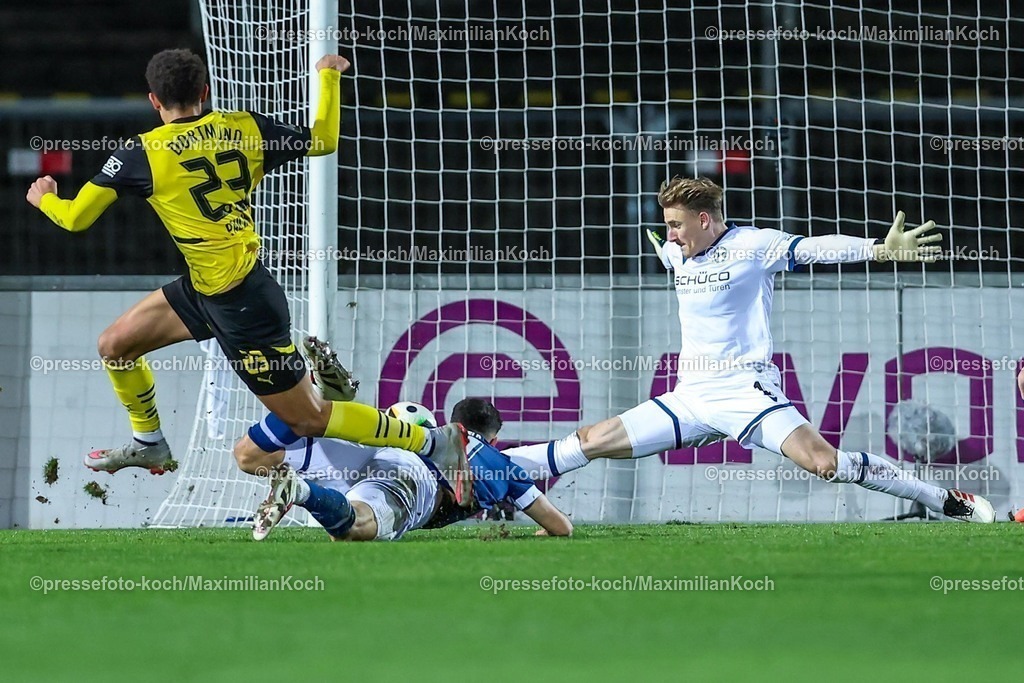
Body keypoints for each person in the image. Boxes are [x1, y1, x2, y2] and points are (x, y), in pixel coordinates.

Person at [25, 49, 465, 483]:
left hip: (242, 304)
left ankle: (431, 442)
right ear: (205, 92)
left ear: (153, 100)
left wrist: (45, 198)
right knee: (115, 346)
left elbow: (75, 218)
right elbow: (324, 140)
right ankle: (149, 442)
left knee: (309, 417)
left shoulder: (140, 153)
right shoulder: (245, 127)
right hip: (206, 288)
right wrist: (329, 77)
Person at [505, 176, 995, 523]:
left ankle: (941, 500)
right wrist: (669, 244)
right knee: (591, 440)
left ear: (703, 219)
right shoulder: (678, 252)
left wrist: (879, 249)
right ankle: (489, 466)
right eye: (667, 226)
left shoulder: (755, 246)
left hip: (746, 392)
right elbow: (668, 251)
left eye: (677, 224)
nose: (670, 235)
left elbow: (814, 248)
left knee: (825, 464)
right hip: (691, 397)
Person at [241, 397, 573, 541]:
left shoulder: (430, 432)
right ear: (494, 439)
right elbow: (561, 527)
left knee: (250, 457)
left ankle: (317, 397)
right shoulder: (505, 466)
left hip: (380, 451)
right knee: (355, 529)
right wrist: (547, 530)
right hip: (418, 483)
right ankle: (301, 491)